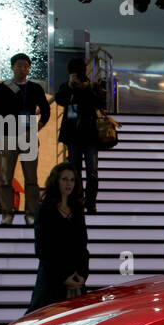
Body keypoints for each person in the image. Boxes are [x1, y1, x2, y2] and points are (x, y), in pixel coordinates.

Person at [0, 53, 51, 226]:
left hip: (28, 136)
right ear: (12, 67)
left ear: (29, 68)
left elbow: (46, 110)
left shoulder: (35, 88)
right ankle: (7, 213)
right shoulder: (1, 88)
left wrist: (39, 126)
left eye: (26, 65)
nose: (22, 68)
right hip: (7, 136)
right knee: (5, 178)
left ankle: (30, 214)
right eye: (19, 65)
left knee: (31, 178)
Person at [27, 162, 89, 312]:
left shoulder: (77, 208)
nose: (69, 184)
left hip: (75, 276)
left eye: (72, 180)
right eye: (65, 179)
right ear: (56, 181)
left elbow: (82, 244)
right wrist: (63, 276)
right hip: (51, 277)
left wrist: (82, 274)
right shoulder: (45, 209)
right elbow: (43, 248)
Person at [55, 58, 102, 214]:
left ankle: (91, 202)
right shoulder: (66, 87)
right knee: (74, 171)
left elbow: (99, 102)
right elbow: (60, 99)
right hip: (73, 135)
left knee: (92, 171)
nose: (76, 77)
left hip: (90, 135)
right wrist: (70, 87)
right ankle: (76, 201)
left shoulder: (92, 86)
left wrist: (86, 87)